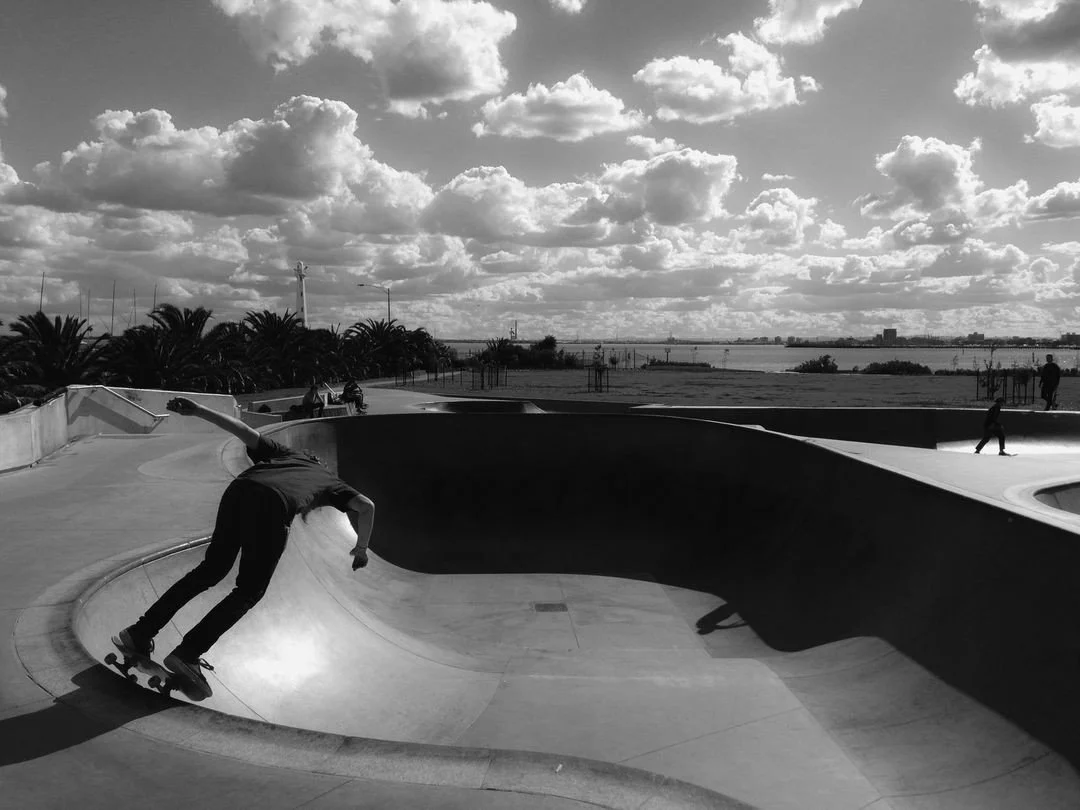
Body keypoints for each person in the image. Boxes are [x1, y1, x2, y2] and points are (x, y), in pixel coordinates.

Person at [112, 396, 375, 700]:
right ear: (322, 465)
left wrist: (197, 410)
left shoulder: (286, 453)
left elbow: (242, 430)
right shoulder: (332, 481)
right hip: (271, 506)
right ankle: (188, 652)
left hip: (239, 489)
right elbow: (366, 506)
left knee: (209, 571)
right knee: (249, 590)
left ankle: (140, 632)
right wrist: (361, 548)